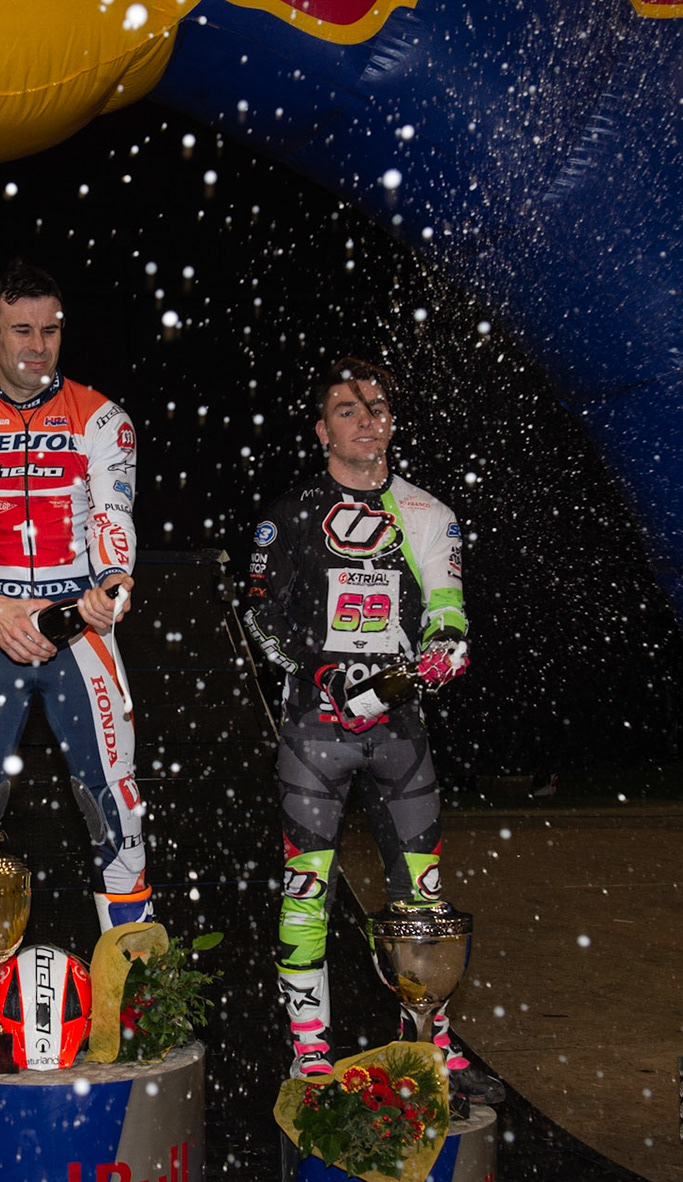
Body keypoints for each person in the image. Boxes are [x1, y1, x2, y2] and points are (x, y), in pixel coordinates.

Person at [245, 357, 496, 1097]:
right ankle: (310, 1051)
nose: (366, 417)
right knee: (305, 890)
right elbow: (259, 615)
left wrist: (448, 641)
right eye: (348, 409)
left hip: (400, 730)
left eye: (377, 405)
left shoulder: (427, 513)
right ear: (324, 430)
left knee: (423, 893)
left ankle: (429, 1043)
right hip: (314, 729)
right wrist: (318, 672)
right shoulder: (289, 514)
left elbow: (446, 602)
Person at [0, 260, 145, 1021]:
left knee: (116, 801)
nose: (37, 346)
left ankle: (133, 997)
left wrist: (111, 582)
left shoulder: (102, 416)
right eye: (21, 330)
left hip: (79, 621)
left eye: (50, 330)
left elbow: (114, 511)